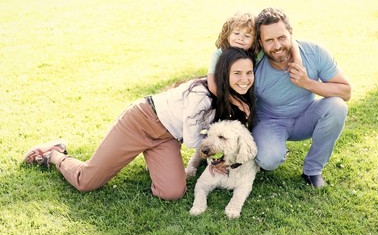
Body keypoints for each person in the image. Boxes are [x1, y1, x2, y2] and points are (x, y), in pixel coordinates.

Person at [23, 47, 256, 200]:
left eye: (248, 73)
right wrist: (215, 153)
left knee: (172, 192)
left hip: (167, 137)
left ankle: (153, 160)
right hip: (141, 122)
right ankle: (55, 154)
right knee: (87, 181)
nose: (244, 79)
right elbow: (195, 141)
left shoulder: (233, 100)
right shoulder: (201, 94)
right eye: (237, 73)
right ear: (224, 73)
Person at [252, 7, 352, 188]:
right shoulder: (255, 64)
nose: (277, 46)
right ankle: (274, 149)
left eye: (281, 37)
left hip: (305, 117)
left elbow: (346, 92)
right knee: (268, 160)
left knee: (337, 107)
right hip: (270, 121)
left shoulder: (314, 52)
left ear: (290, 33)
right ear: (260, 41)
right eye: (269, 40)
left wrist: (307, 83)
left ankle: (312, 171)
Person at [207, 12, 260, 118]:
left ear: (254, 41)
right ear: (227, 35)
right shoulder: (218, 54)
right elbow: (212, 85)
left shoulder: (255, 54)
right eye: (236, 33)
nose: (240, 38)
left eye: (247, 36)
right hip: (223, 96)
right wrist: (236, 102)